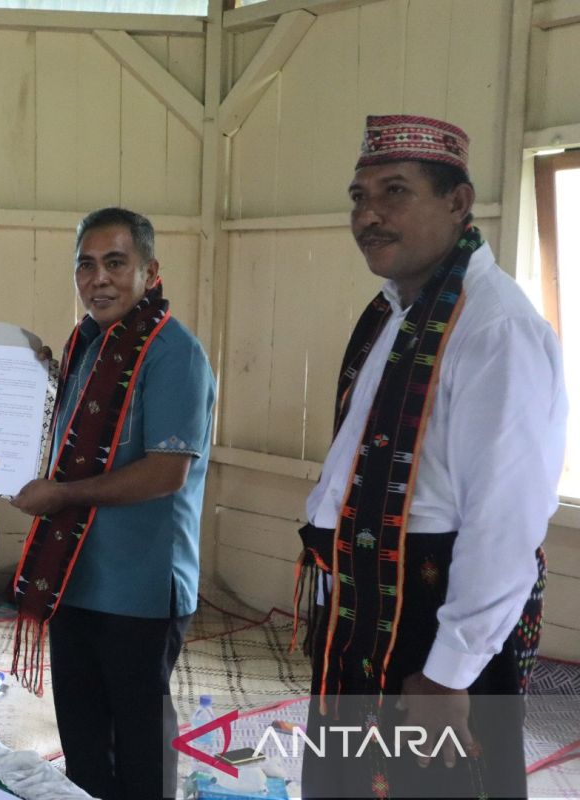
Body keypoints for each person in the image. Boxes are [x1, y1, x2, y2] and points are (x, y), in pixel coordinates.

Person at [295, 115, 568, 799]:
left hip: (428, 616)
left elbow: (505, 519)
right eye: (359, 196)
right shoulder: (397, 313)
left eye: (394, 192)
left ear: (458, 201)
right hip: (368, 612)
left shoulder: (494, 327)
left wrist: (451, 670)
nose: (369, 215)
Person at [10, 207, 215, 800]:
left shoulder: (174, 353)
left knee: (140, 743)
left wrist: (62, 495)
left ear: (151, 271)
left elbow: (165, 472)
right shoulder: (86, 346)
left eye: (116, 263)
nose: (99, 279)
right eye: (87, 265)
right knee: (82, 736)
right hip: (75, 578)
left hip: (141, 589)